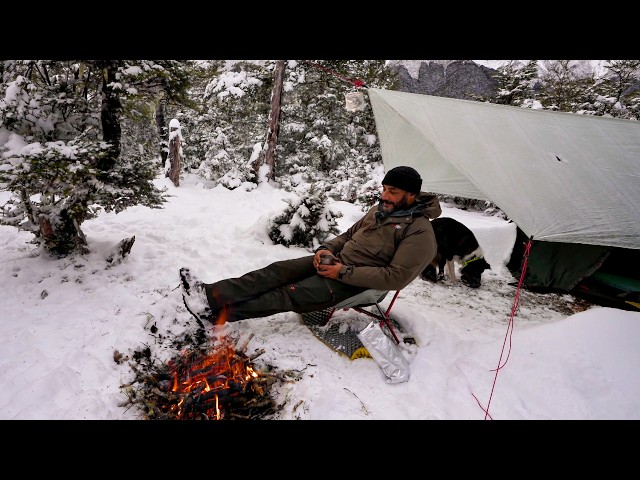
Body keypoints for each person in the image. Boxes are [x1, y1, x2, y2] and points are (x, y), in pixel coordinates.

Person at [180, 165, 442, 324]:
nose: (385, 196)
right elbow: (347, 236)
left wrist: (342, 272)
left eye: (393, 192)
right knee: (277, 271)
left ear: (412, 195)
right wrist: (325, 250)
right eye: (384, 189)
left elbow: (396, 278)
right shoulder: (379, 210)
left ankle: (216, 316)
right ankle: (208, 295)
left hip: (358, 284)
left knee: (288, 293)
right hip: (336, 264)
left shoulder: (419, 232)